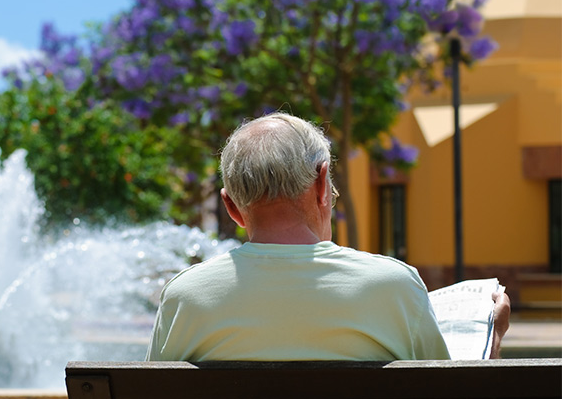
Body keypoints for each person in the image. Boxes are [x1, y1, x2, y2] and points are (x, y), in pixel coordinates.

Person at [146, 112, 510, 362]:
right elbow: (450, 392)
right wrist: (489, 342)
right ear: (322, 184)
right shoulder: (394, 286)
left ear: (232, 208)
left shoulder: (184, 297)